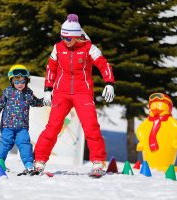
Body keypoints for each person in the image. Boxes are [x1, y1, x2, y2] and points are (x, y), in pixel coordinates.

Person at [32, 14, 115, 177]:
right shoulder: (58, 48)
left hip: (82, 92)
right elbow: (51, 68)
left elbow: (103, 64)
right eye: (62, 36)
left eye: (68, 38)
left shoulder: (89, 48)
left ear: (76, 36)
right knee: (53, 127)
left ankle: (98, 162)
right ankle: (39, 161)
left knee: (91, 126)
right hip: (61, 92)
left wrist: (109, 83)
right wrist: (48, 89)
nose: (65, 40)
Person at [0, 64, 44, 175]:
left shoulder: (28, 93)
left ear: (26, 81)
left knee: (25, 143)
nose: (20, 84)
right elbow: (0, 103)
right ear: (12, 82)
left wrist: (44, 101)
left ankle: (29, 164)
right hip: (8, 126)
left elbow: (35, 102)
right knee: (6, 143)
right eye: (17, 82)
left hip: (22, 127)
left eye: (22, 81)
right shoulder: (8, 91)